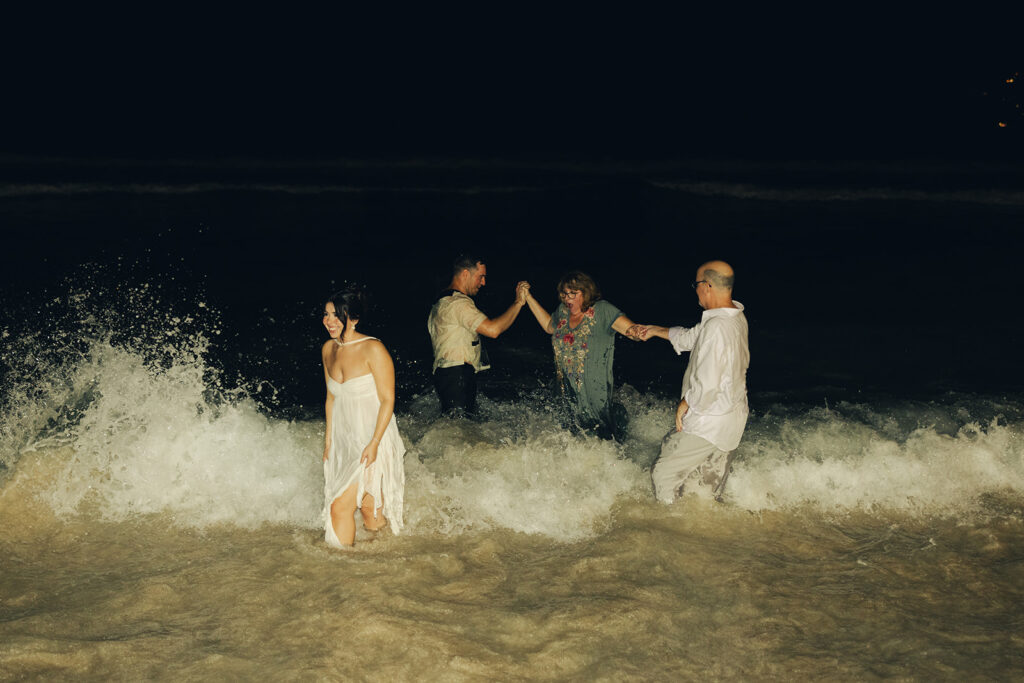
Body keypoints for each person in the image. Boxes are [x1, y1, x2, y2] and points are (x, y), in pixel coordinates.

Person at [638, 260, 750, 503]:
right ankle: (703, 534)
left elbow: (708, 380)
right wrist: (655, 330)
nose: (695, 289)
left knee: (663, 475)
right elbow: (691, 337)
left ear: (707, 286)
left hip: (709, 419)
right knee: (704, 492)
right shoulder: (733, 317)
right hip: (731, 420)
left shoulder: (718, 326)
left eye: (696, 284)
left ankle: (669, 530)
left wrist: (686, 402)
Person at [321, 285, 405, 548]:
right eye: (326, 315)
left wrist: (375, 443)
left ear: (353, 318)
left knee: (339, 506)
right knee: (370, 511)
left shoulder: (373, 349)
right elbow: (331, 397)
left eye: (337, 315)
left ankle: (338, 565)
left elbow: (388, 399)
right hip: (345, 440)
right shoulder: (328, 350)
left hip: (372, 437)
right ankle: (377, 566)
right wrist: (328, 440)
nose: (329, 321)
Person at [520, 271, 644, 440]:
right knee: (570, 437)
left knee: (603, 437)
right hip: (565, 389)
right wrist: (528, 298)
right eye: (564, 294)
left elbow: (631, 331)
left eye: (573, 293)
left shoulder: (602, 310)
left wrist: (639, 332)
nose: (567, 299)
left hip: (594, 392)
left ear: (586, 292)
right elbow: (550, 326)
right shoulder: (563, 312)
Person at [427, 254, 529, 416]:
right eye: (481, 277)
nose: (483, 283)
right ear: (466, 274)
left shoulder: (441, 301)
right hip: (457, 375)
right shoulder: (458, 304)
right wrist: (518, 303)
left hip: (447, 375)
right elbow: (493, 330)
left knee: (456, 427)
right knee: (459, 429)